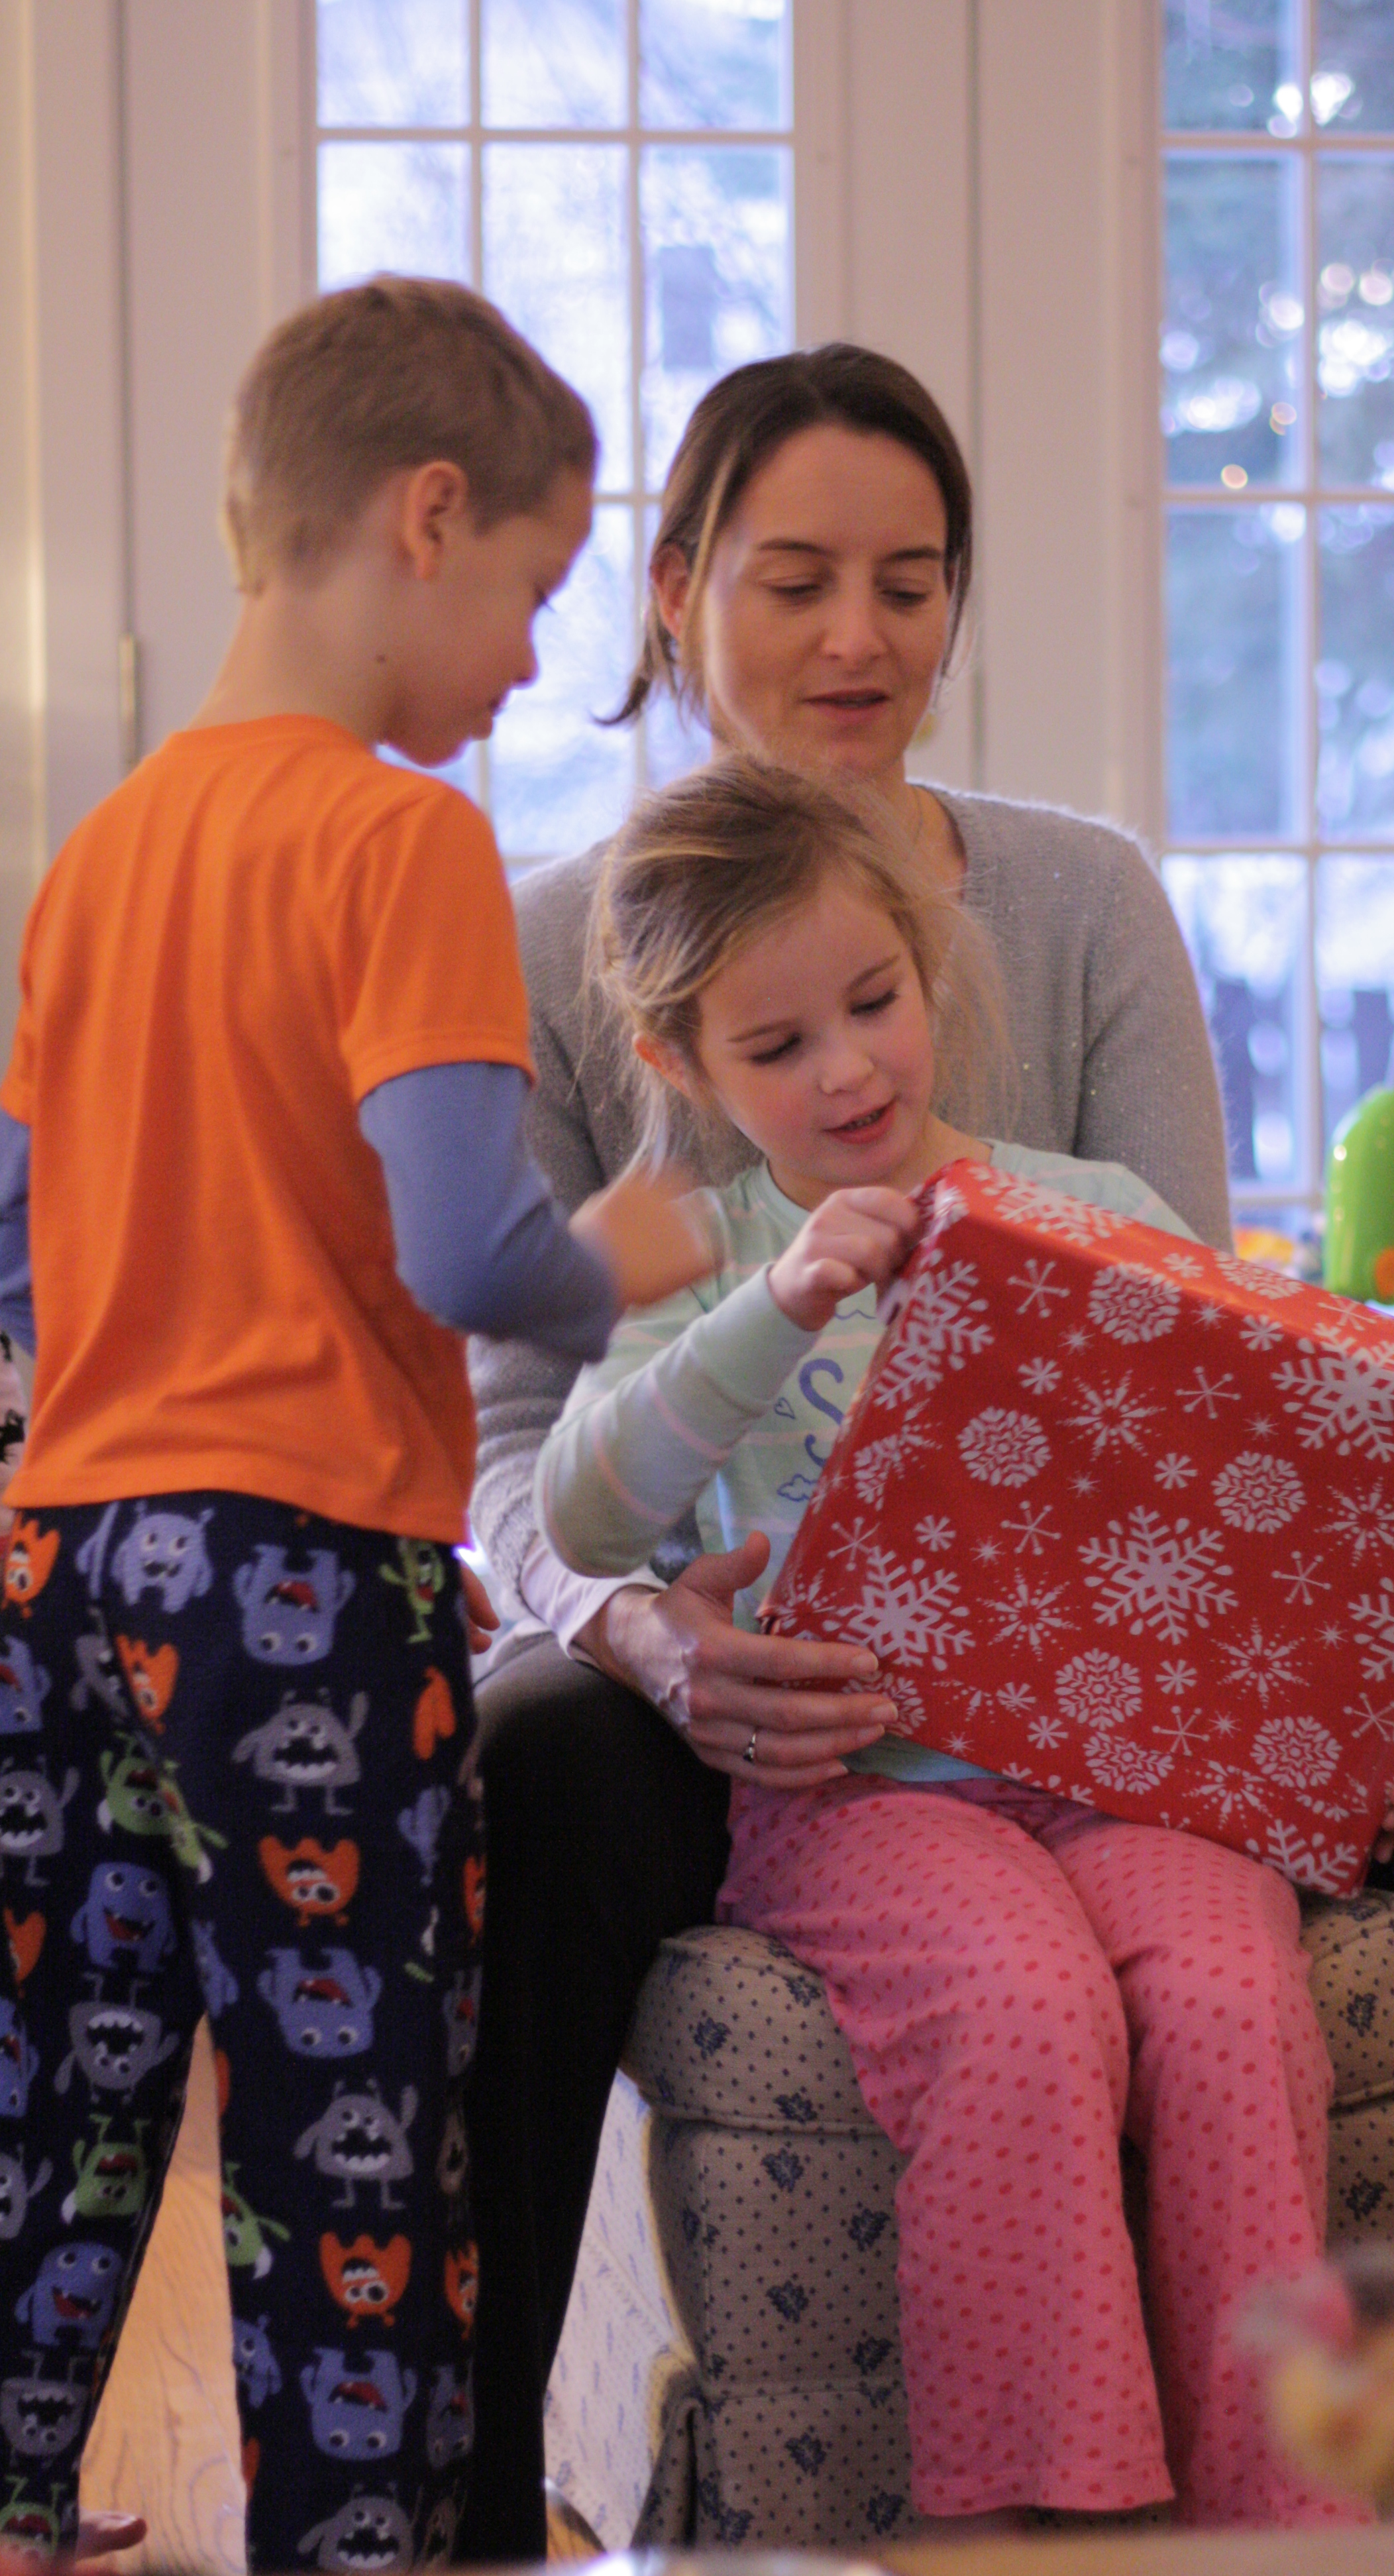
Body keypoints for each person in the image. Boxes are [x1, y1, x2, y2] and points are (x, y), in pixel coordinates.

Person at [460, 343, 1394, 2555]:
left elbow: (1232, 1382)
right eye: (797, 579)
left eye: (911, 580)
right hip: (761, 1674)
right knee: (536, 1759)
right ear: (676, 591)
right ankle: (466, 2506)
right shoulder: (558, 948)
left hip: (1121, 1709)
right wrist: (644, 1637)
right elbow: (531, 1455)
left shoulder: (1079, 896)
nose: (860, 636)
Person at [0, 276, 707, 2569]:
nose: (529, 659)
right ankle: (360, 2545)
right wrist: (632, 1252)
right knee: (349, 2112)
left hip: (65, 1550)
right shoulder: (396, 845)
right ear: (426, 517)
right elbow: (467, 1251)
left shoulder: (100, 855)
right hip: (298, 1563)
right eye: (532, 586)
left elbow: (15, 1242)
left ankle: (13, 2487)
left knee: (70, 2061)